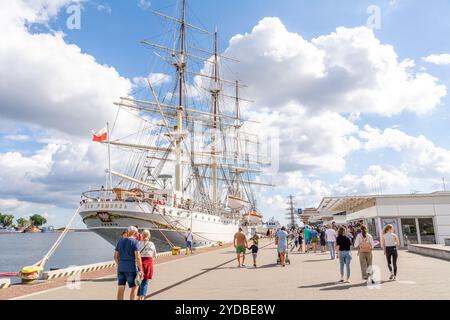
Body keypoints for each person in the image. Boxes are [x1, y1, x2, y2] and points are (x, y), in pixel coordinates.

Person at [114, 226, 143, 300]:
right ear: (135, 233)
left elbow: (115, 256)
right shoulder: (135, 242)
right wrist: (141, 270)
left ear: (128, 232)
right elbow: (138, 257)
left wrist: (119, 264)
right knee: (134, 288)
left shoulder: (120, 241)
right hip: (131, 268)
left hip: (121, 268)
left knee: (121, 288)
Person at [138, 229, 157, 300]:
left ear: (142, 235)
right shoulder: (151, 244)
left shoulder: (138, 243)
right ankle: (142, 298)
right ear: (149, 235)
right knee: (145, 281)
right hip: (148, 263)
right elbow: (154, 255)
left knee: (139, 280)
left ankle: (139, 296)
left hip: (140, 263)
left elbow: (136, 254)